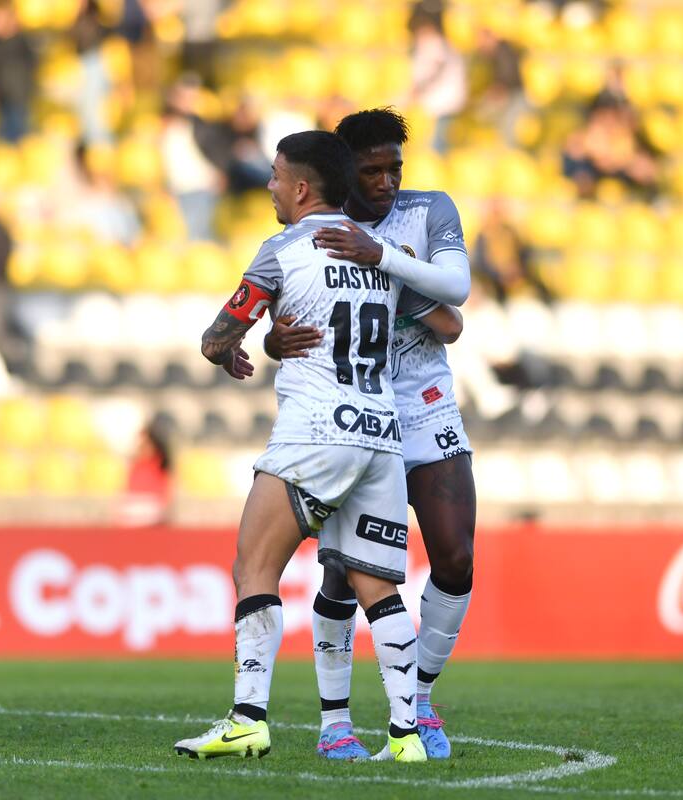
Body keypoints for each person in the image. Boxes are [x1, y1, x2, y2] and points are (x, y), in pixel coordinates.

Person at [174, 130, 468, 764]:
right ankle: (406, 736)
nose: (271, 186)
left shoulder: (282, 251)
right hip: (381, 436)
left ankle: (248, 719)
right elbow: (449, 322)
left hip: (313, 433)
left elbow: (216, 337)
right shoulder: (378, 251)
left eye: (277, 176)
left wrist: (240, 348)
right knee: (379, 590)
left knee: (254, 567)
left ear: (302, 187)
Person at [265, 108, 475, 761]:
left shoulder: (429, 210)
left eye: (394, 169)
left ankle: (420, 702)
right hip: (353, 412)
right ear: (341, 171)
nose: (385, 182)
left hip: (426, 404)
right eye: (371, 170)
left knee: (456, 558)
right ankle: (335, 724)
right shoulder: (318, 232)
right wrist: (272, 341)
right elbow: (285, 320)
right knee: (340, 577)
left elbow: (456, 306)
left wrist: (383, 260)